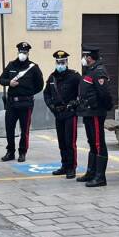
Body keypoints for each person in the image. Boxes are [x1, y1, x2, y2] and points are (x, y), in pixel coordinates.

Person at [0, 41, 45, 163]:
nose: (22, 54)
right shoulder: (11, 65)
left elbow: (40, 85)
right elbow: (1, 79)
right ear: (18, 52)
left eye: (25, 52)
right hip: (12, 103)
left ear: (28, 53)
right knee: (9, 128)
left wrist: (28, 93)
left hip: (26, 103)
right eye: (21, 52)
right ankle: (10, 152)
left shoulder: (33, 67)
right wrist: (9, 83)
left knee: (25, 130)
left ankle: (22, 152)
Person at [76, 46, 113, 188]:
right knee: (92, 142)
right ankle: (91, 172)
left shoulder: (99, 71)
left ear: (89, 58)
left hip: (96, 112)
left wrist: (102, 108)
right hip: (88, 112)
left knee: (98, 143)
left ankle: (100, 177)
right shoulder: (90, 70)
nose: (83, 59)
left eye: (85, 56)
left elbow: (104, 94)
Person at [43, 50, 82, 178]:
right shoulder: (52, 77)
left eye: (62, 62)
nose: (60, 64)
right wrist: (51, 106)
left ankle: (72, 167)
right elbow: (46, 93)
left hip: (70, 113)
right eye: (58, 62)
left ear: (66, 62)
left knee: (70, 142)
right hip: (58, 114)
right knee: (61, 142)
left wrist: (76, 103)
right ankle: (64, 165)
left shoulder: (74, 76)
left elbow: (82, 92)